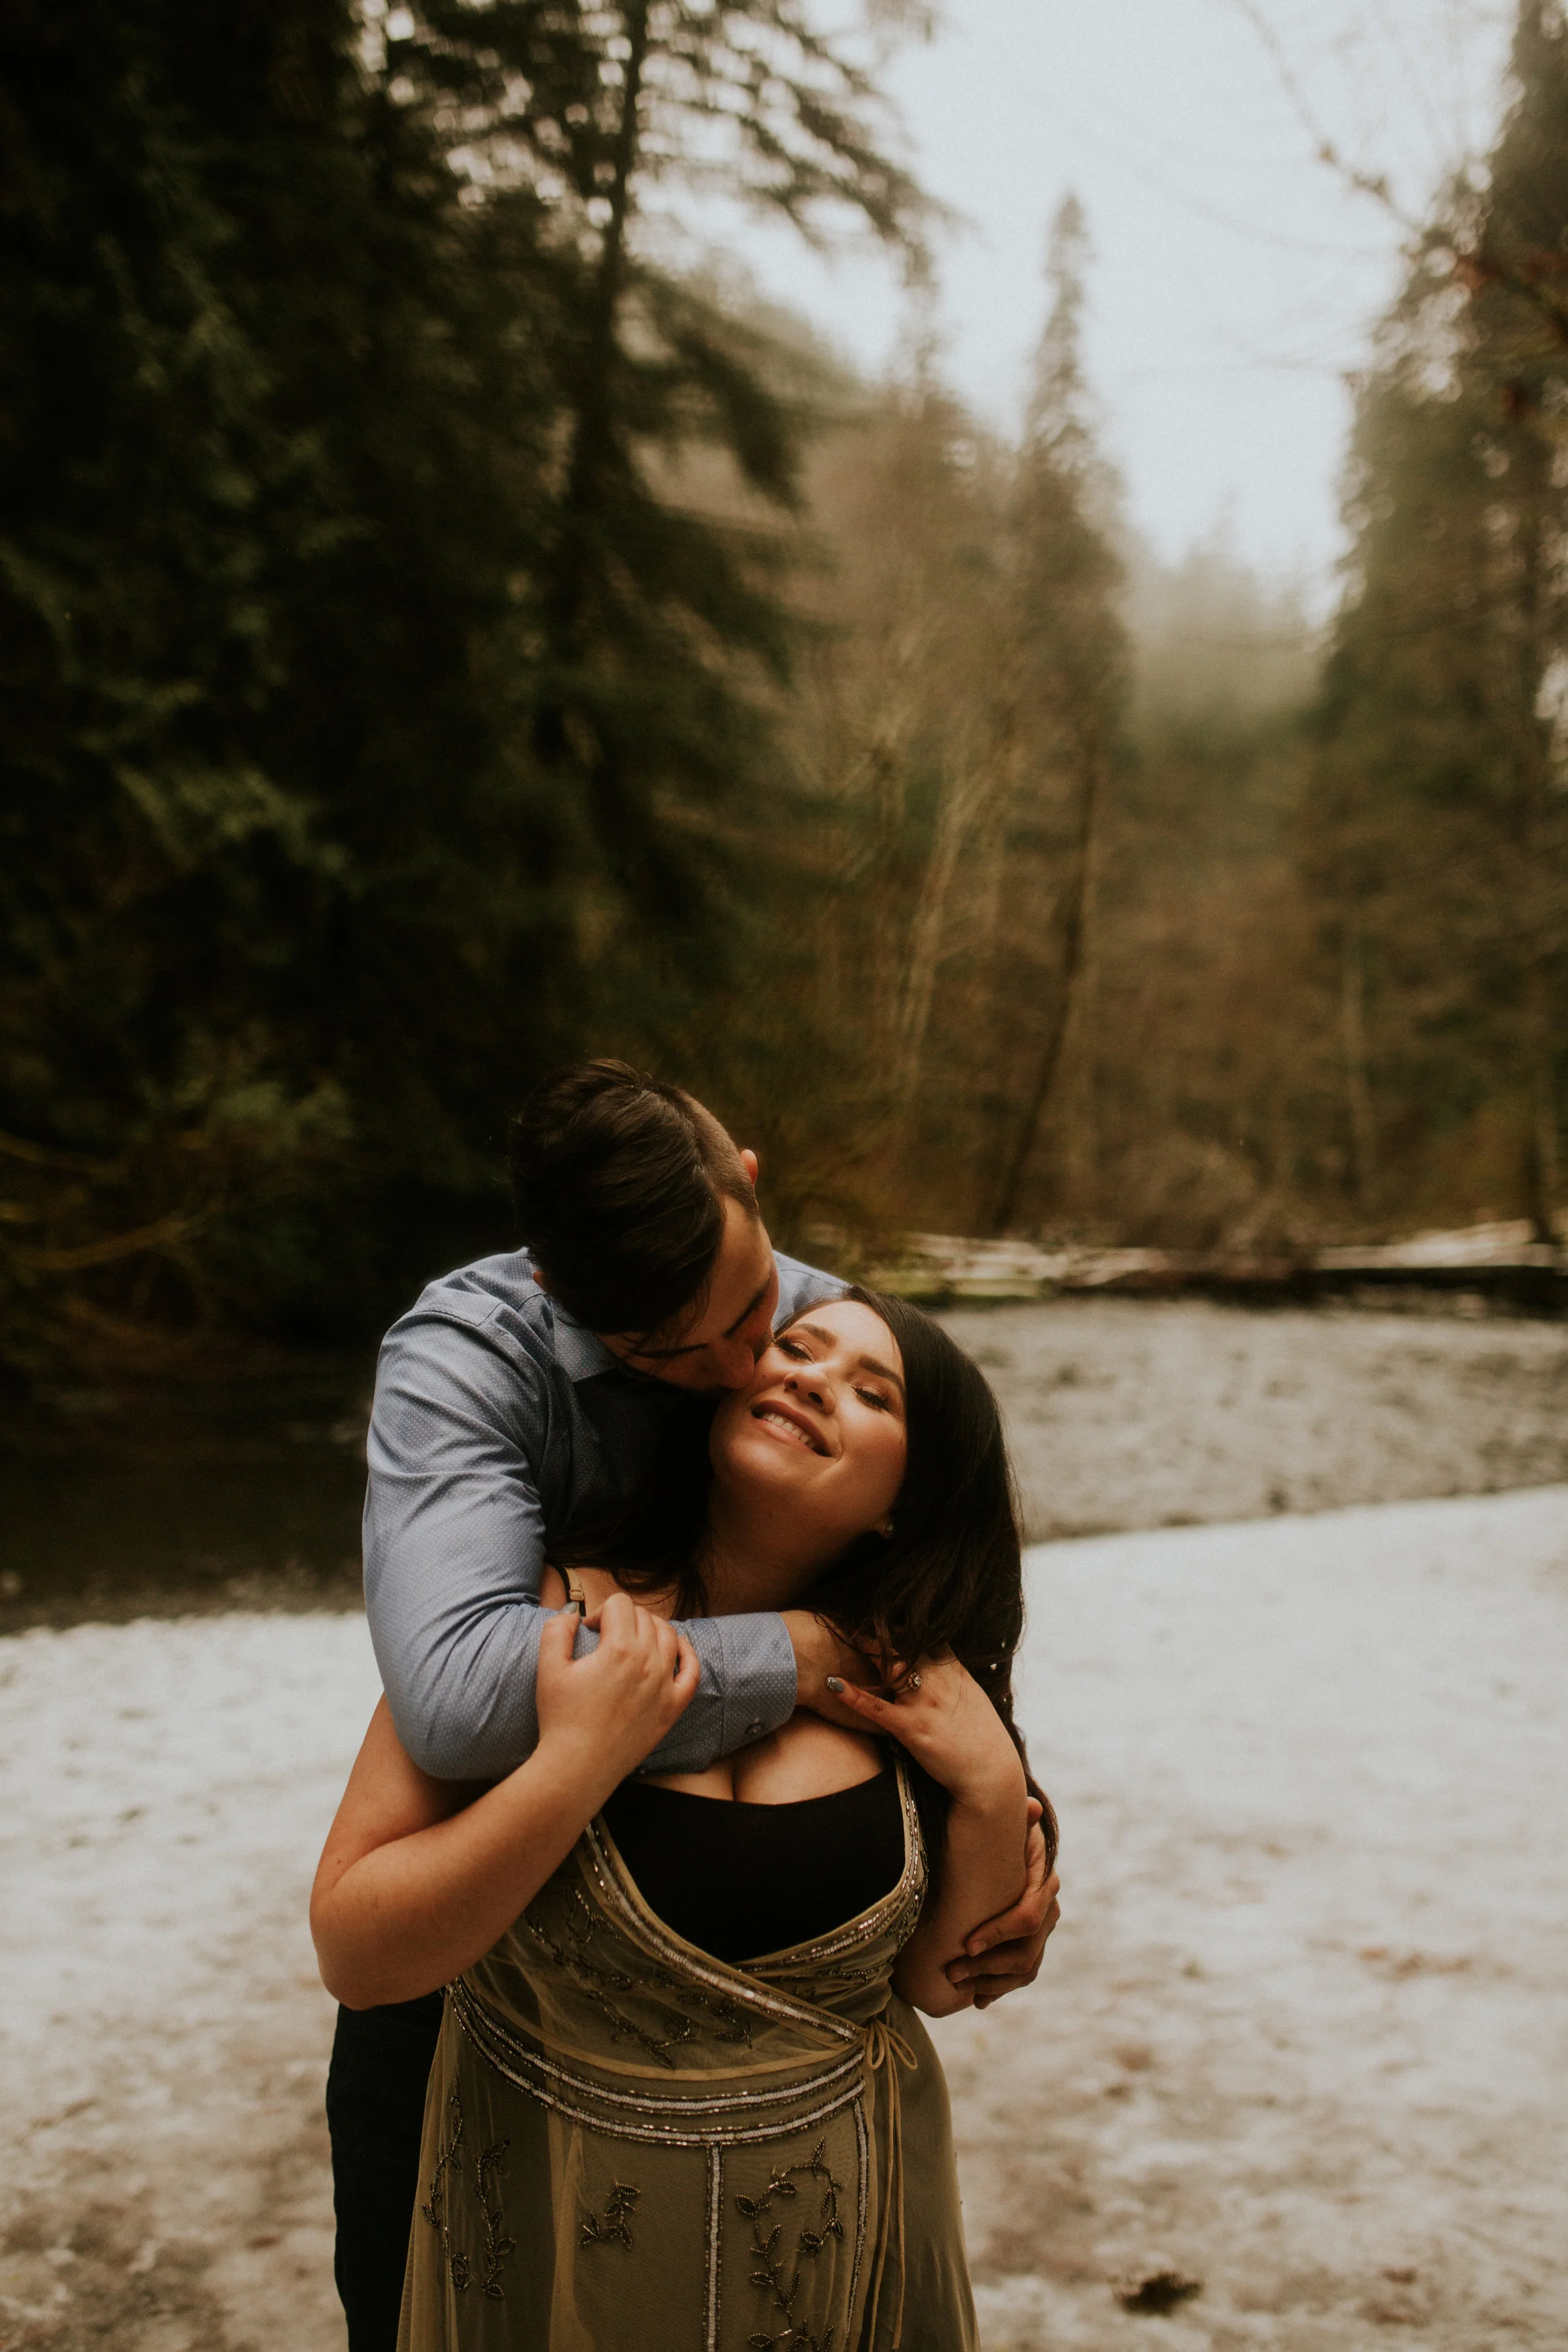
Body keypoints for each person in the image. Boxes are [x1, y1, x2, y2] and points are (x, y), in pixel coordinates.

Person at [327, 1061, 1060, 2349]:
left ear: (754, 1192)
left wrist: (1005, 1799)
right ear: (570, 1302)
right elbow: (447, 1710)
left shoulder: (810, 1343)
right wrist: (782, 1657)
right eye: (678, 1353)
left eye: (761, 1319)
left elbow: (945, 1954)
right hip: (492, 2078)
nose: (749, 1367)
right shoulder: (488, 1404)